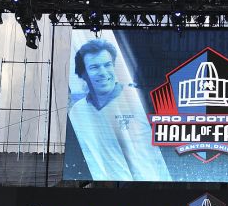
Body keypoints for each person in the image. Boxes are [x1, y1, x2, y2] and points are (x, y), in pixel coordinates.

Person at [67, 39, 172, 181]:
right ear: (82, 73)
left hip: (150, 189)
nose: (103, 73)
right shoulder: (77, 112)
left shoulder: (140, 101)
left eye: (107, 65)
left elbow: (162, 153)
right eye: (94, 67)